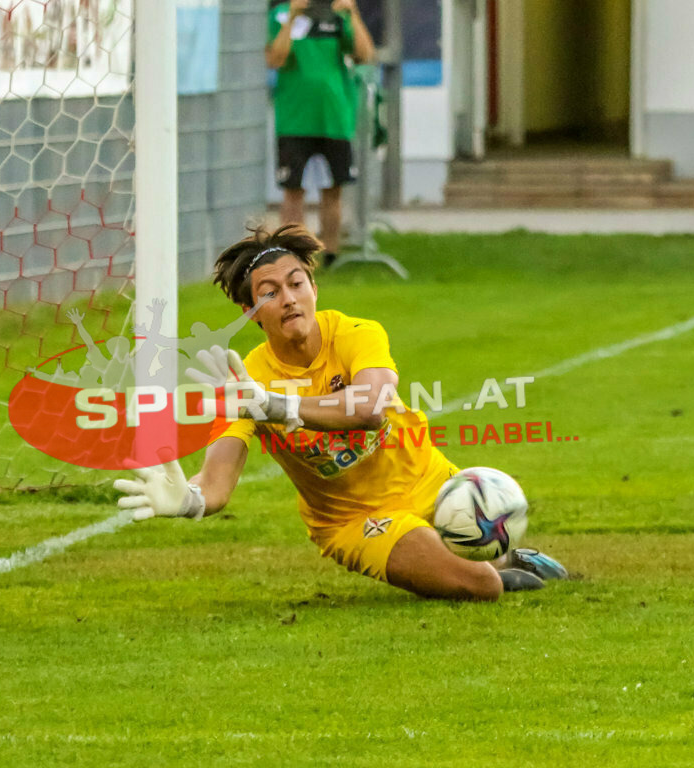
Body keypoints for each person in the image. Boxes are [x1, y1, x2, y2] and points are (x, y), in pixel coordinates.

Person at [113, 225, 568, 601]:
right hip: (353, 521)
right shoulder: (244, 380)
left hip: (430, 481)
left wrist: (276, 405)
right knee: (482, 586)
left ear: (314, 288)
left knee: (475, 543)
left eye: (296, 284)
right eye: (270, 293)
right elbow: (217, 482)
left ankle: (502, 556)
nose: (288, 299)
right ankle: (498, 565)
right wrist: (189, 500)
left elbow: (370, 409)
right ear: (250, 312)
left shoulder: (355, 333)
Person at [266, 0, 375, 267]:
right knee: (293, 190)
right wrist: (292, 19)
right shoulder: (280, 15)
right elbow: (275, 59)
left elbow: (364, 55)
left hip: (334, 117)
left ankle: (330, 255)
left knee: (333, 189)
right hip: (294, 119)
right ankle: (293, 256)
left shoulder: (336, 14)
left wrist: (353, 14)